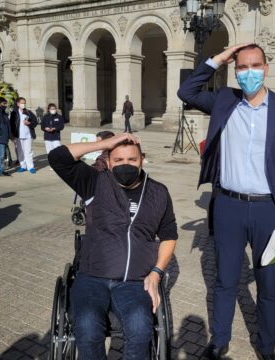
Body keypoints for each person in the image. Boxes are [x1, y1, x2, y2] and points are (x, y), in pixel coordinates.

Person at [178, 43, 275, 360]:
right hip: (228, 207)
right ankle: (219, 340)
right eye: (242, 67)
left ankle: (267, 345)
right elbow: (186, 91)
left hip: (271, 210)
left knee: (268, 284)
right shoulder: (225, 99)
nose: (249, 72)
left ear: (266, 68)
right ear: (235, 71)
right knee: (224, 280)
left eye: (255, 66)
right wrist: (218, 60)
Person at [48, 133, 178, 359]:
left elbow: (169, 236)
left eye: (132, 159)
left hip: (135, 280)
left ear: (142, 159)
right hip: (92, 276)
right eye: (118, 160)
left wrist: (156, 273)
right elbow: (57, 157)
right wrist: (104, 143)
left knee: (140, 329)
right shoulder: (94, 183)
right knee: (87, 328)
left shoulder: (158, 192)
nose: (125, 165)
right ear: (108, 162)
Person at [10, 97, 38, 173]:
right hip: (18, 136)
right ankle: (23, 166)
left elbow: (35, 122)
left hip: (28, 135)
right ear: (18, 104)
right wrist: (12, 134)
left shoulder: (28, 112)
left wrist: (29, 123)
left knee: (28, 151)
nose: (23, 104)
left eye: (24, 103)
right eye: (22, 103)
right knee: (20, 151)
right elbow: (11, 124)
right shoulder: (14, 113)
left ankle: (30, 167)